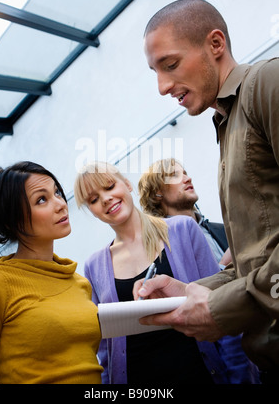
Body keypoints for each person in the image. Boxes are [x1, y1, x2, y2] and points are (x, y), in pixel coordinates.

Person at [134, 0, 279, 382]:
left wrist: (223, 308)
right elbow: (259, 264)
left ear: (215, 44)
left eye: (171, 65)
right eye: (155, 71)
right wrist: (192, 291)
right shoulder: (226, 123)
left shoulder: (267, 83)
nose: (163, 86)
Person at [74, 161, 259, 384]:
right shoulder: (94, 266)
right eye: (93, 200)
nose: (105, 199)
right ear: (91, 211)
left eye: (110, 186)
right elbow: (106, 350)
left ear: (127, 185)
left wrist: (241, 378)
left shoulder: (183, 230)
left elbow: (220, 306)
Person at [0, 161, 103, 384]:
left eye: (56, 192)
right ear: (12, 220)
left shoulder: (78, 282)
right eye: (42, 199)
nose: (61, 204)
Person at [138, 157, 231, 267]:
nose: (188, 179)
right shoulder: (160, 248)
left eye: (185, 173)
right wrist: (224, 265)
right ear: (157, 192)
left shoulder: (223, 229)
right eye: (174, 175)